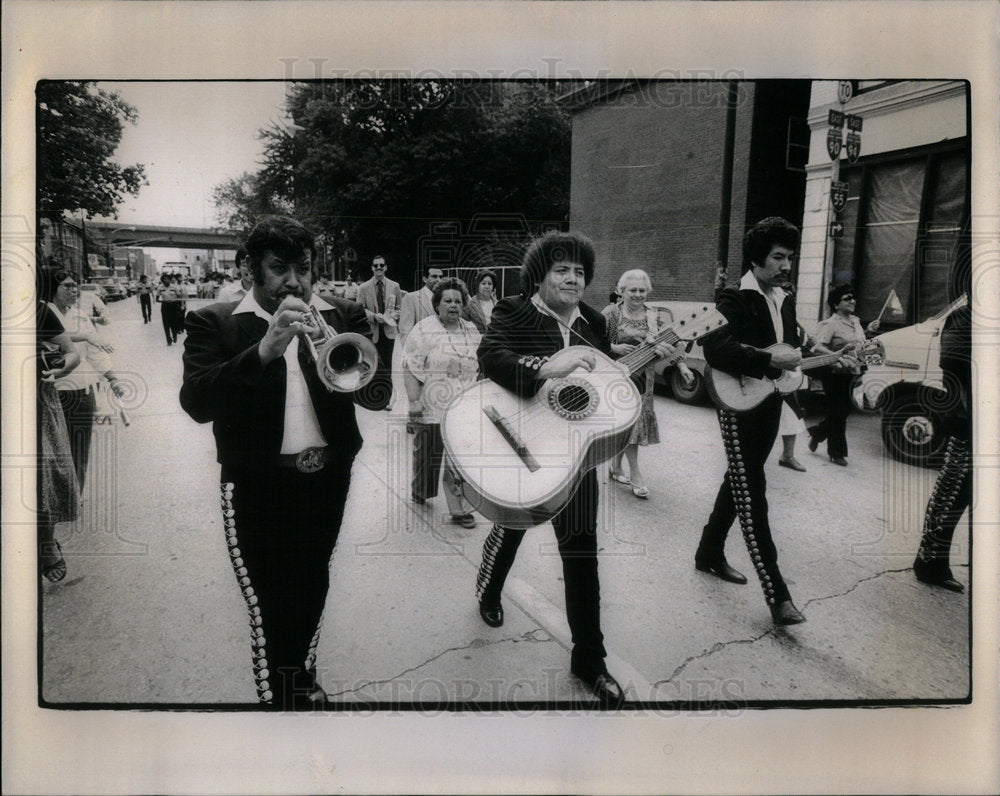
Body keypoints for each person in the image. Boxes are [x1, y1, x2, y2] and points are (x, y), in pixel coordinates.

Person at [179, 215, 391, 710]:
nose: (294, 281)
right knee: (270, 603)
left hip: (327, 477)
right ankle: (285, 697)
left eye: (303, 268)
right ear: (251, 268)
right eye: (279, 268)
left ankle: (296, 679)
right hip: (256, 484)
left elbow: (379, 396)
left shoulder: (342, 314)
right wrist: (265, 348)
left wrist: (348, 353)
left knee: (313, 581)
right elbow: (196, 403)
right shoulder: (214, 321)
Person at [473, 231, 677, 707]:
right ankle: (489, 589)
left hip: (577, 456)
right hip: (523, 443)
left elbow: (605, 384)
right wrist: (546, 369)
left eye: (580, 272)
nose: (572, 278)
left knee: (582, 554)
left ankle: (590, 660)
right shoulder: (514, 310)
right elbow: (491, 356)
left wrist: (651, 361)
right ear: (539, 276)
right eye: (561, 269)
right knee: (512, 529)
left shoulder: (591, 323)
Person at [695, 217, 819, 626]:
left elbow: (791, 350)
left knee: (740, 480)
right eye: (779, 257)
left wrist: (813, 361)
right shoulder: (733, 297)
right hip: (737, 405)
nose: (786, 265)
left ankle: (708, 554)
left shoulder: (784, 298)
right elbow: (715, 349)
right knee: (753, 492)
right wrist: (768, 359)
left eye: (790, 258)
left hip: (768, 402)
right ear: (757, 258)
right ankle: (778, 595)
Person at [603, 268, 694, 499]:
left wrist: (682, 366)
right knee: (626, 423)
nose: (638, 294)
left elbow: (670, 344)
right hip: (619, 377)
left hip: (646, 380)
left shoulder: (653, 316)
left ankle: (615, 467)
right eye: (632, 290)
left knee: (632, 423)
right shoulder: (612, 314)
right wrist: (614, 347)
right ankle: (636, 474)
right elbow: (594, 341)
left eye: (642, 290)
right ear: (621, 291)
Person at [402, 277, 480, 528]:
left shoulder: (471, 330)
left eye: (458, 301)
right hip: (432, 404)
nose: (453, 305)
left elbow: (480, 365)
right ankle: (421, 489)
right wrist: (414, 401)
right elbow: (410, 365)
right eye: (447, 300)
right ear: (437, 304)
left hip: (463, 406)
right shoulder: (425, 329)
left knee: (460, 457)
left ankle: (459, 508)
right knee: (427, 453)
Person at [47, 269, 126, 490]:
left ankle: (75, 493)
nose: (74, 290)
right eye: (67, 286)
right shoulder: (43, 312)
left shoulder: (81, 316)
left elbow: (95, 353)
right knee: (54, 448)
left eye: (75, 286)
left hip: (82, 389)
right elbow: (44, 336)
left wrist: (113, 379)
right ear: (53, 289)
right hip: (51, 389)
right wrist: (86, 335)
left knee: (80, 445)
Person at [913, 301, 971, 593]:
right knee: (954, 490)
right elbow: (953, 362)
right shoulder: (965, 315)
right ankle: (930, 562)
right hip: (968, 418)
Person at [37, 269, 83, 582]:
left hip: (35, 400)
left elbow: (71, 352)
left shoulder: (35, 310)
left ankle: (44, 540)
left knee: (45, 471)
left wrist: (59, 372)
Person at [806, 284, 880, 466]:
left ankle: (818, 432)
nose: (853, 301)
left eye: (853, 297)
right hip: (835, 372)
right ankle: (837, 452)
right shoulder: (831, 324)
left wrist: (869, 331)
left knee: (843, 411)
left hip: (853, 371)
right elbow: (817, 347)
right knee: (838, 411)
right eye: (847, 298)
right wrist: (837, 354)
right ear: (836, 304)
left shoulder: (855, 321)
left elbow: (858, 343)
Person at [356, 255, 403, 385]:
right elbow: (360, 310)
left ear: (386, 267)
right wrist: (374, 316)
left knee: (388, 364)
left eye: (381, 265)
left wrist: (390, 317)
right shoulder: (363, 288)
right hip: (372, 331)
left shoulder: (395, 286)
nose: (379, 268)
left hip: (389, 332)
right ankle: (375, 394)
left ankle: (386, 394)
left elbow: (400, 308)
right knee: (373, 363)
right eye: (376, 265)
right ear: (372, 268)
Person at [398, 264, 443, 339]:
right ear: (425, 279)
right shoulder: (411, 298)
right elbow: (405, 332)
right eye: (434, 276)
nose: (438, 280)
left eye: (440, 277)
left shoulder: (445, 299)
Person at [461, 268, 498, 333]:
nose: (487, 286)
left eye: (489, 284)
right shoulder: (470, 304)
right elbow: (463, 325)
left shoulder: (498, 303)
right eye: (483, 283)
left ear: (493, 287)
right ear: (478, 286)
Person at [156, 274, 182, 346]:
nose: (166, 280)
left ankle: (174, 335)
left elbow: (179, 297)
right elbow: (157, 299)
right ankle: (168, 339)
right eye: (164, 279)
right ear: (162, 281)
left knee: (174, 322)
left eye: (167, 279)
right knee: (166, 323)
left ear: (170, 280)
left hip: (173, 306)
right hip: (165, 306)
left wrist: (179, 305)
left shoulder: (174, 287)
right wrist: (163, 301)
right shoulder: (160, 288)